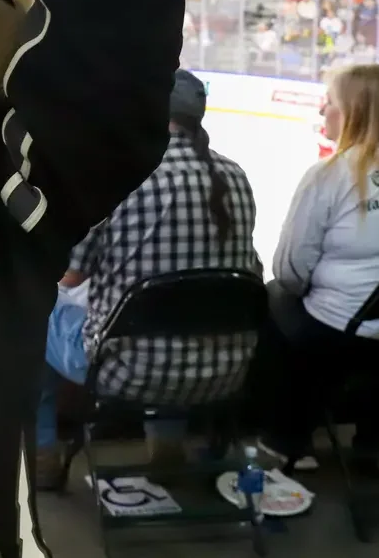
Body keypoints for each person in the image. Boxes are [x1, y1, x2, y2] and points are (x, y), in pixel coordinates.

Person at [35, 69, 261, 485]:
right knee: (177, 311)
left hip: (126, 371)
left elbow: (68, 277)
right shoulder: (235, 176)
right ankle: (166, 447)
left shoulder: (116, 177)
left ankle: (43, 449)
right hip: (226, 370)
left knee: (32, 308)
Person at [249, 64, 379, 472]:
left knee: (274, 300)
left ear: (352, 112)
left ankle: (286, 439)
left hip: (353, 335)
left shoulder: (328, 175)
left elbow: (290, 270)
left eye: (331, 103)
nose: (323, 110)